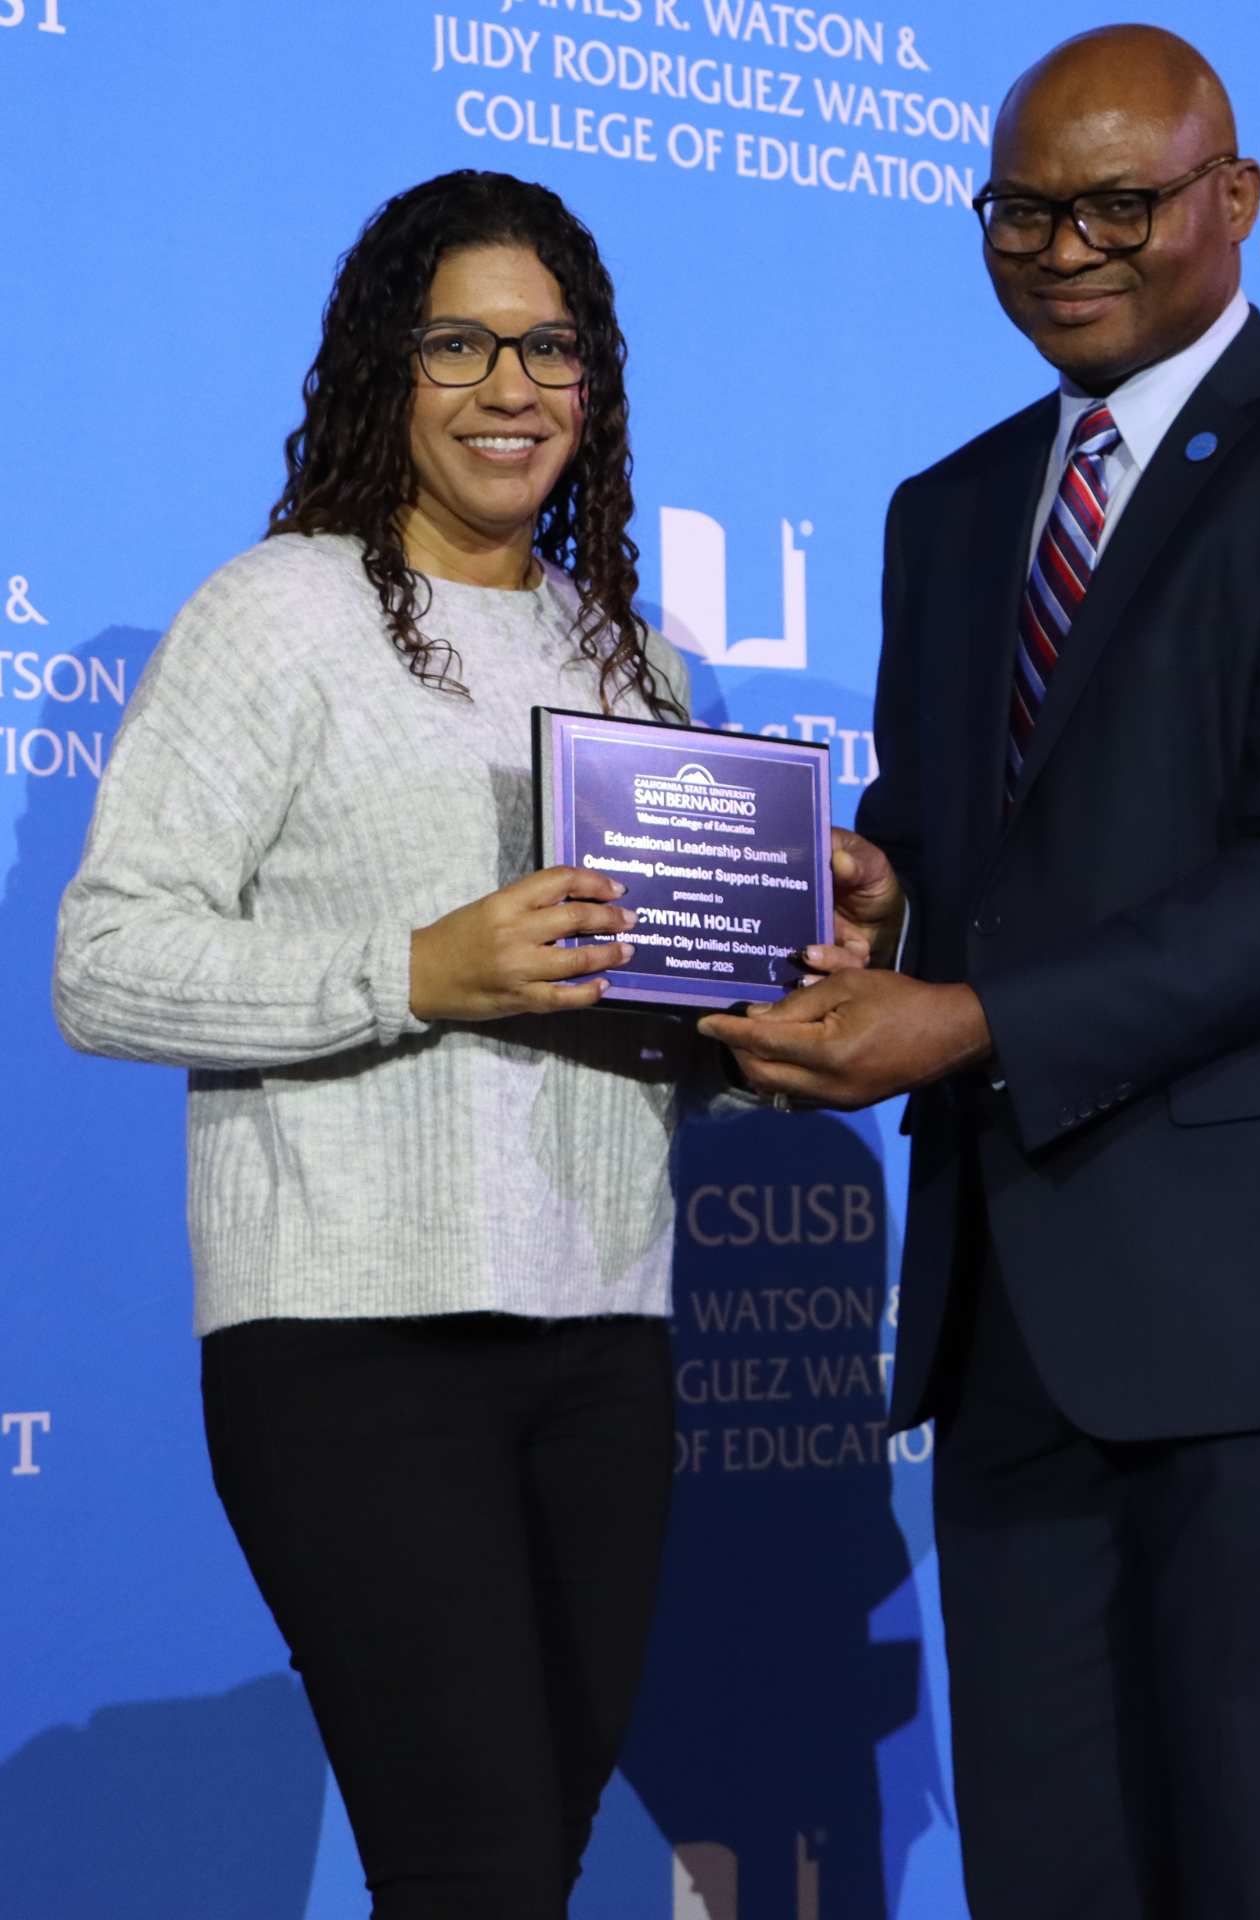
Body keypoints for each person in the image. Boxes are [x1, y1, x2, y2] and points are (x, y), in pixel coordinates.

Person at [700, 27, 1260, 1918]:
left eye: (1121, 201)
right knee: (1054, 1881)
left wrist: (976, 1016)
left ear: (1238, 198)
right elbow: (964, 856)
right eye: (1024, 207)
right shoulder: (948, 509)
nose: (1065, 243)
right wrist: (882, 910)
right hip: (1024, 1321)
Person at [55, 169, 732, 1920]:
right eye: (462, 342)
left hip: (606, 1335)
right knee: (478, 1866)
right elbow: (105, 964)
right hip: (353, 1342)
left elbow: (655, 1017)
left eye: (550, 346)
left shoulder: (635, 662)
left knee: (526, 1865)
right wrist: (414, 969)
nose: (512, 386)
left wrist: (786, 988)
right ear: (384, 367)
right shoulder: (276, 613)